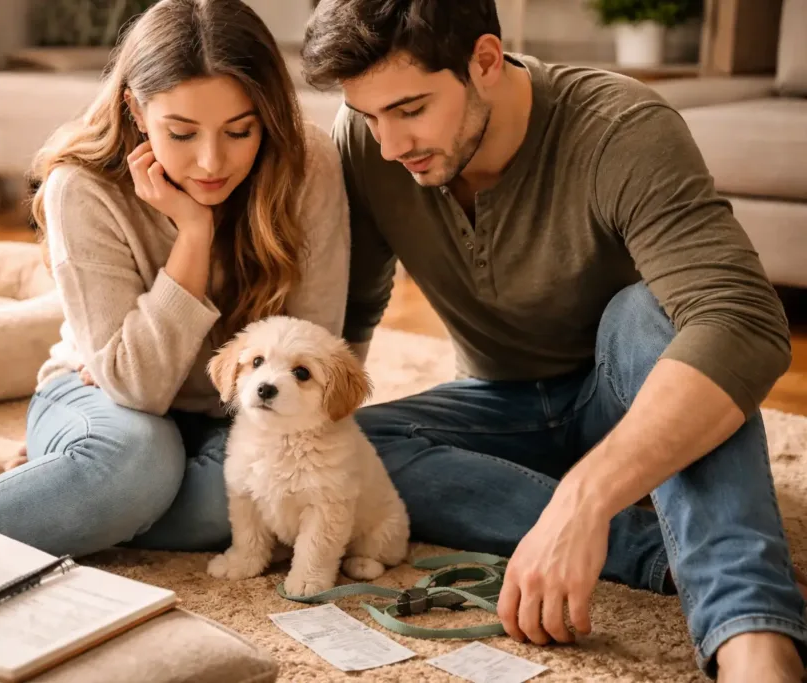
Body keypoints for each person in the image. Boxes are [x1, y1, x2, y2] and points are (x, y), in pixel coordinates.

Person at [300, 1, 806, 682]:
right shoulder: (369, 145)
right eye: (369, 116)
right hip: (498, 403)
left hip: (628, 388)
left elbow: (742, 319)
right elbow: (355, 306)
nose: (389, 145)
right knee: (346, 446)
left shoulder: (621, 127)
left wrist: (584, 497)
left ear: (484, 61)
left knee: (647, 313)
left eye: (411, 110)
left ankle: (755, 642)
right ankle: (655, 549)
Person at [0, 0, 349, 580]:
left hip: (245, 413)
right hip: (104, 405)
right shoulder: (80, 185)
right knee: (140, 466)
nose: (211, 161)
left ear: (269, 117)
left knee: (241, 500)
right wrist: (195, 236)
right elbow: (138, 387)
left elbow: (317, 346)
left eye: (240, 131)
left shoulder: (308, 166)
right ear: (135, 108)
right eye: (181, 133)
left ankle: (55, 492)